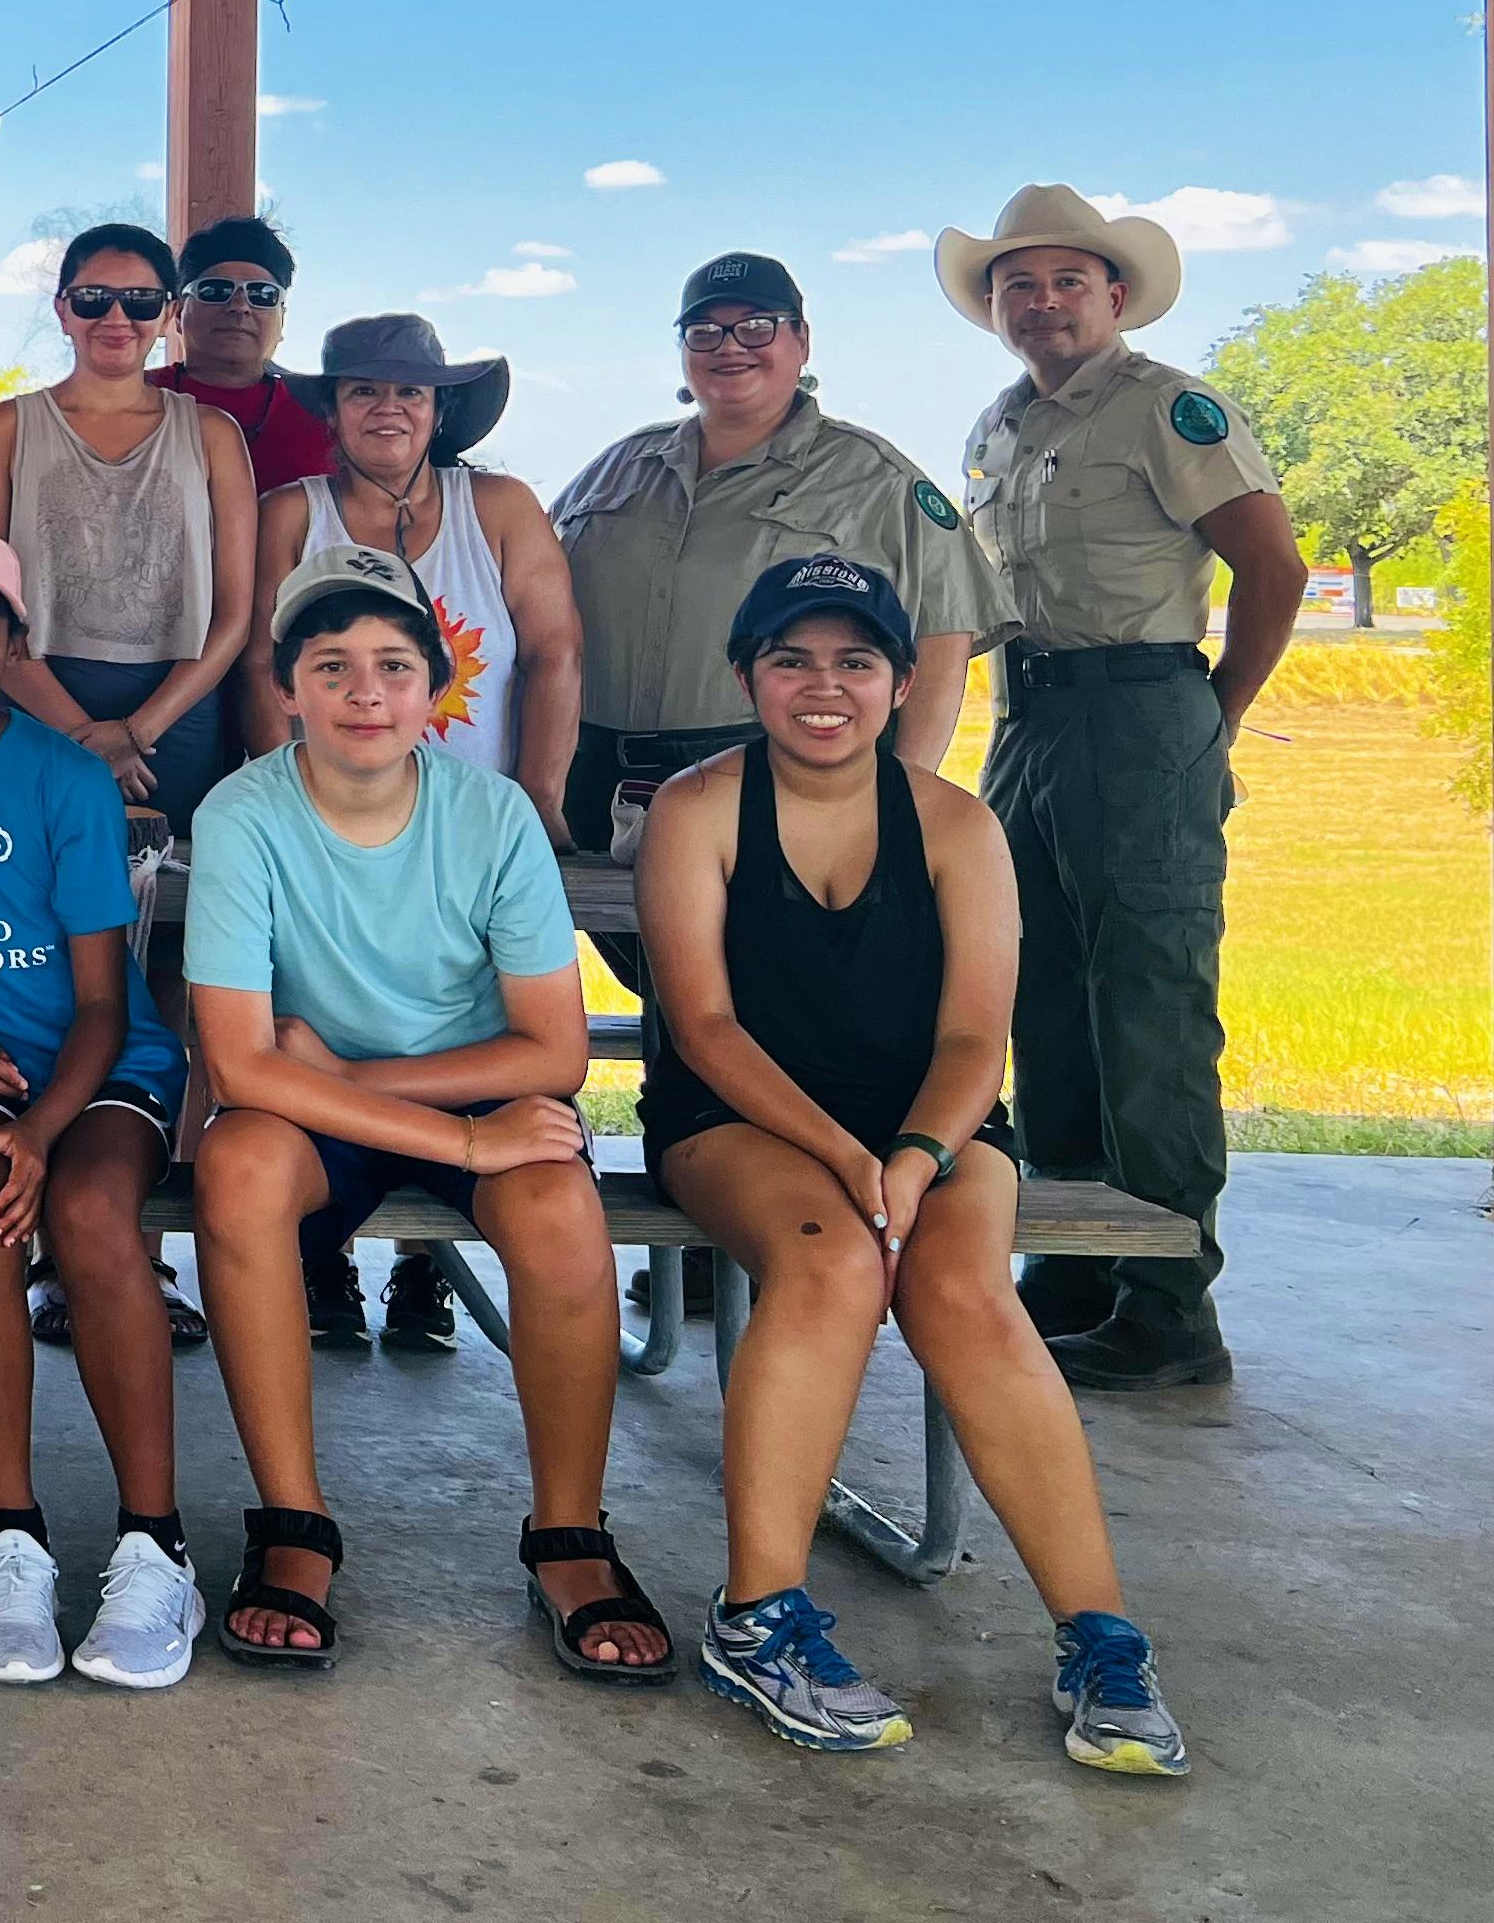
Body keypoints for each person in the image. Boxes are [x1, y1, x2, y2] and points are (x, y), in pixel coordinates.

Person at [639, 555, 1191, 1774]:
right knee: (833, 1266)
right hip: (745, 1120)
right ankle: (759, 1618)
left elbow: (972, 1036)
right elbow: (708, 1028)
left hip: (932, 1119)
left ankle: (1101, 1636)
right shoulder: (697, 808)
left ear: (898, 682)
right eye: (791, 658)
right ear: (748, 676)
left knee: (963, 1293)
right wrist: (848, 1156)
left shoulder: (956, 824)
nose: (822, 686)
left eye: (855, 660)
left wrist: (917, 1151)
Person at [183, 545, 670, 1685]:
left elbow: (552, 1048)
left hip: (448, 1078)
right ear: (285, 686)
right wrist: (453, 1140)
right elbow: (240, 1066)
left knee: (554, 1201)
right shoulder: (244, 814)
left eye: (395, 665)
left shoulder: (492, 814)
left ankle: (570, 1534)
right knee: (240, 1172)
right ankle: (293, 1523)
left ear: (437, 686)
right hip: (331, 1110)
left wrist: (369, 1089)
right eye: (332, 664)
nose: (365, 692)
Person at [944, 183, 1300, 1394]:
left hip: (1144, 712)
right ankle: (1076, 1262)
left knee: (1147, 996)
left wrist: (1214, 718)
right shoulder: (999, 426)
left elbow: (1274, 566)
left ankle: (1170, 1303)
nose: (1040, 304)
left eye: (1064, 283)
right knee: (1036, 993)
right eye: (1017, 287)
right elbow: (988, 598)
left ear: (1116, 295)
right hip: (1027, 719)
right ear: (995, 309)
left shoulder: (1170, 409)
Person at [0, 519, 200, 1691]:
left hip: (94, 1066)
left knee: (96, 1217)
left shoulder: (63, 776)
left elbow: (107, 1006)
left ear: (19, 642)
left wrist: (43, 1130)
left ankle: (154, 1546)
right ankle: (10, 1540)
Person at [246, 313, 582, 1357]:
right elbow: (269, 665)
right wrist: (277, 798)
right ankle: (322, 1253)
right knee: (317, 1009)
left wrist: (536, 797)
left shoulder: (503, 507)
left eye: (411, 391)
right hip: (330, 832)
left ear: (442, 411)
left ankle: (423, 1264)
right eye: (362, 389)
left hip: (474, 845)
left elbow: (556, 652)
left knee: (465, 1024)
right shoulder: (290, 513)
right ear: (334, 411)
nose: (388, 405)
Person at [552, 252, 1004, 870]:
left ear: (802, 341)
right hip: (591, 786)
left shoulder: (876, 479)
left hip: (775, 778)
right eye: (704, 331)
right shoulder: (614, 470)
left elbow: (944, 634)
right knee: (642, 966)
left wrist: (899, 798)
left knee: (768, 967)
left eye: (757, 325)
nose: (729, 346)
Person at [0, 224, 259, 839]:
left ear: (169, 313)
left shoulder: (212, 434)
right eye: (94, 298)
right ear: (63, 309)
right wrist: (80, 735)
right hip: (36, 692)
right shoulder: (6, 429)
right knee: (35, 884)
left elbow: (234, 613)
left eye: (141, 301)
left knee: (167, 897)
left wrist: (137, 733)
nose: (117, 317)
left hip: (177, 708)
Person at [150, 214, 337, 495]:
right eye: (216, 291)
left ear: (281, 319)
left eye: (262, 294)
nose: (240, 306)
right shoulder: (130, 398)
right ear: (177, 314)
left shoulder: (329, 414)